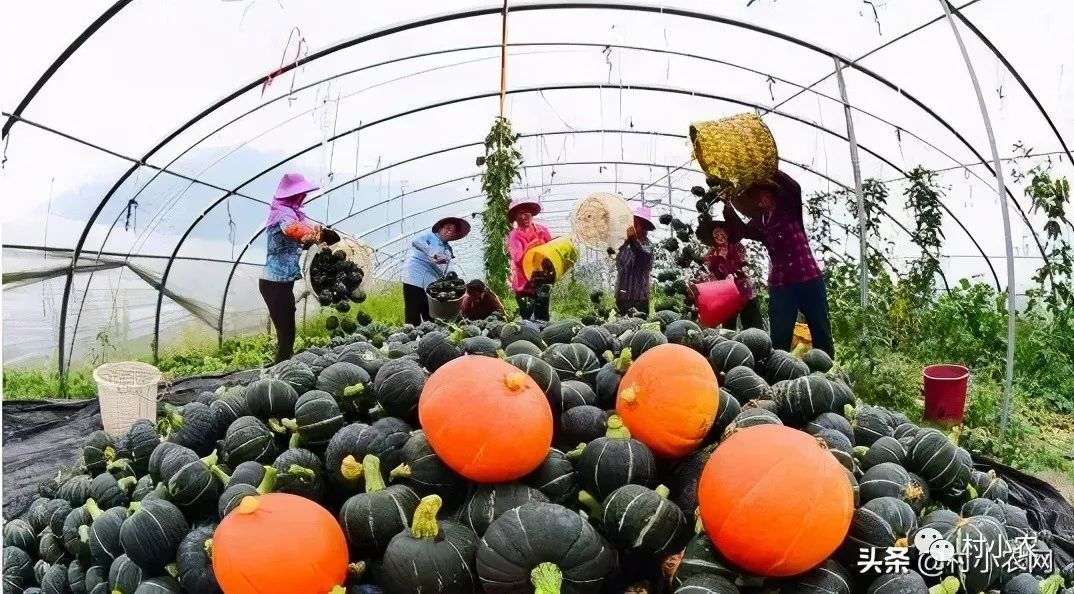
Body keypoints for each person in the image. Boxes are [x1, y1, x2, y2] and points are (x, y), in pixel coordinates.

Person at [722, 170, 834, 357]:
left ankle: (827, 369)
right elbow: (739, 231)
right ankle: (779, 371)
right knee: (779, 336)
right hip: (782, 285)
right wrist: (727, 206)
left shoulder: (790, 210)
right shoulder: (760, 223)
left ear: (773, 194)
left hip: (809, 279)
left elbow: (794, 188)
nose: (762, 199)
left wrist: (770, 169)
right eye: (757, 197)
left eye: (765, 194)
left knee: (820, 328)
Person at [260, 172, 338, 364]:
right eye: (299, 193)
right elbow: (292, 229)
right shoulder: (282, 215)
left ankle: (282, 368)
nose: (302, 197)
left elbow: (300, 240)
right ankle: (280, 372)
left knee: (287, 332)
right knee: (286, 334)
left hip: (282, 284)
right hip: (274, 283)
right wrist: (314, 234)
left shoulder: (292, 213)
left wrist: (319, 238)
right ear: (290, 195)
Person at [402, 216, 470, 326]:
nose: (449, 232)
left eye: (452, 231)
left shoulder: (448, 249)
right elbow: (416, 241)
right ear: (440, 228)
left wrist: (453, 278)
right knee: (413, 311)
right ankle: (410, 337)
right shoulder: (430, 236)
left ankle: (429, 337)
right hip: (414, 279)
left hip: (431, 284)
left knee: (429, 313)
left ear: (455, 235)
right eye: (447, 228)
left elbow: (447, 267)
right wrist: (431, 253)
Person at [699, 219, 763, 330]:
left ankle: (757, 343)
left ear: (727, 234)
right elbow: (709, 275)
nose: (720, 236)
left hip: (745, 291)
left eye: (722, 233)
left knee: (753, 326)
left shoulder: (737, 247)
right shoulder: (711, 256)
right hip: (727, 294)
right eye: (716, 234)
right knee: (728, 328)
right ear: (712, 238)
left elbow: (744, 265)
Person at [507, 199, 553, 321]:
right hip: (524, 286)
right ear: (515, 218)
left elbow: (552, 249)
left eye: (526, 212)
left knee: (542, 317)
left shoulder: (542, 230)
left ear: (531, 213)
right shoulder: (514, 236)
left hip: (542, 280)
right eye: (518, 214)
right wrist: (532, 245)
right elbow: (517, 259)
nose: (523, 216)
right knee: (528, 320)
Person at [615, 206, 656, 315]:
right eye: (634, 223)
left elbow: (643, 256)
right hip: (622, 298)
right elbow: (620, 265)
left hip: (639, 300)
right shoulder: (623, 246)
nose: (634, 226)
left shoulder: (648, 246)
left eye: (638, 224)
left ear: (645, 227)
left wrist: (633, 240)